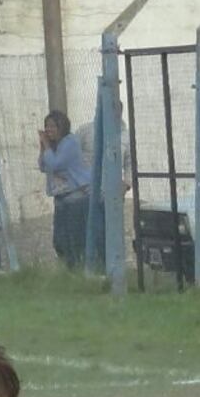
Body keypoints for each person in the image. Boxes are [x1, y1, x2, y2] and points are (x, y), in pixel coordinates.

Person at [74, 103, 132, 271]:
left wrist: (126, 184)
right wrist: (79, 183)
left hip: (112, 195)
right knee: (90, 231)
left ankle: (112, 269)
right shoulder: (85, 131)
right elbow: (72, 158)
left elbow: (130, 163)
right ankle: (87, 266)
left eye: (117, 111)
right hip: (86, 192)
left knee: (111, 233)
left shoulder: (125, 136)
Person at [38, 111, 91, 269]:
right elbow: (43, 166)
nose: (49, 130)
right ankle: (68, 269)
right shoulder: (53, 145)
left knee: (74, 238)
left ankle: (79, 270)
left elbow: (55, 164)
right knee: (59, 240)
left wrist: (47, 146)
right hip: (60, 196)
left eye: (53, 126)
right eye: (47, 126)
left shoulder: (70, 142)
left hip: (75, 195)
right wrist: (43, 147)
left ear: (62, 127)